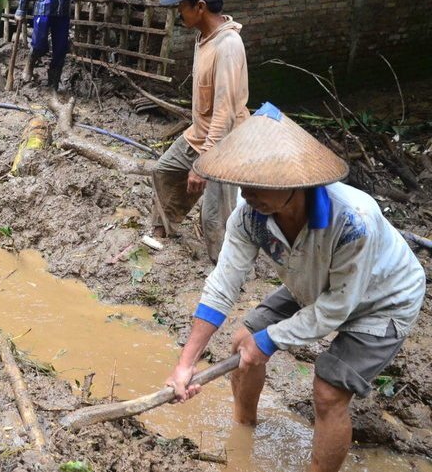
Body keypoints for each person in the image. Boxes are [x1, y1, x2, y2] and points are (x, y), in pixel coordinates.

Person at [165, 102, 425, 472]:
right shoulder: (250, 216)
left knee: (328, 390)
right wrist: (184, 365)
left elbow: (337, 307)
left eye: (259, 185)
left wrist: (270, 339)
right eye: (243, 183)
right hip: (313, 277)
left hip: (381, 297)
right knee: (243, 343)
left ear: (296, 185)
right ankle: (243, 430)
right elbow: (223, 283)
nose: (247, 194)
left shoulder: (353, 221)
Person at [150, 0, 249, 261]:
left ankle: (225, 267)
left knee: (214, 219)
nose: (179, 13)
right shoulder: (204, 36)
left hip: (225, 144)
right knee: (163, 171)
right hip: (200, 133)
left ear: (200, 7)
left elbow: (225, 113)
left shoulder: (228, 46)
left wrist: (202, 164)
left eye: (182, 7)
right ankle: (163, 229)